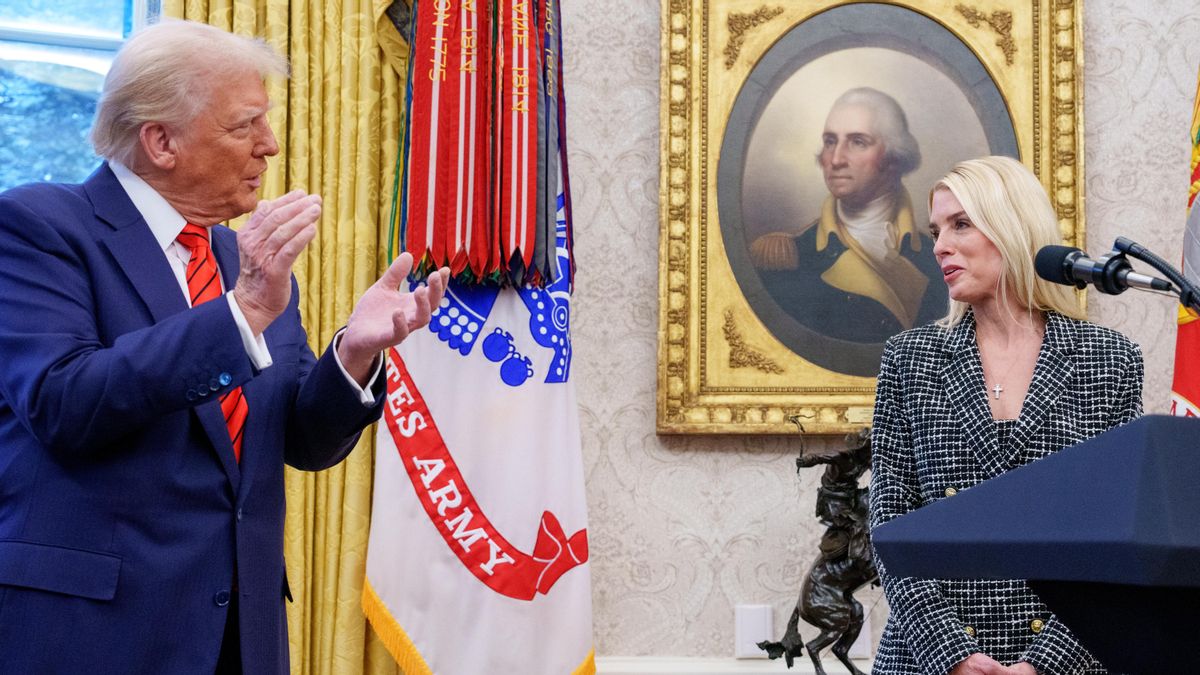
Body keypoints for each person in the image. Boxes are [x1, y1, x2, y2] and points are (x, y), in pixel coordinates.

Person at [0, 20, 448, 673]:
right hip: (92, 634)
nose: (269, 146)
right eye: (244, 126)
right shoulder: (40, 226)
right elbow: (65, 401)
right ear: (161, 141)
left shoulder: (243, 259)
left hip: (241, 634)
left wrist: (353, 354)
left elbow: (296, 437)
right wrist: (241, 313)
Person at [868, 156, 1144, 675]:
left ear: (1012, 226)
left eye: (961, 224)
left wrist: (1045, 664)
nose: (939, 246)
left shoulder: (1107, 359)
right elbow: (890, 523)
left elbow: (1116, 532)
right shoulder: (910, 358)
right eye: (935, 230)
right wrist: (951, 654)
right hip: (928, 659)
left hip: (1066, 658)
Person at [750, 87, 945, 346]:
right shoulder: (788, 257)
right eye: (830, 141)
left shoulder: (939, 257)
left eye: (858, 142)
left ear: (894, 157)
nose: (836, 159)